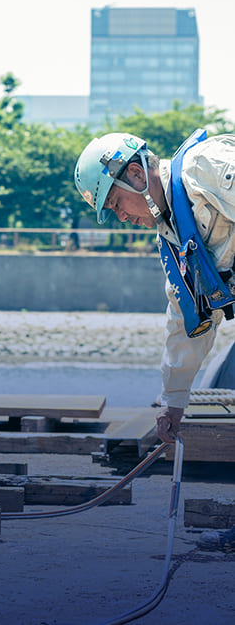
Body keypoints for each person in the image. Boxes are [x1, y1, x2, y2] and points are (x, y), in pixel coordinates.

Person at [75, 127, 235, 552]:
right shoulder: (172, 237)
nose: (122, 217)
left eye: (115, 202)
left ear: (135, 174)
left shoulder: (206, 169)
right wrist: (174, 402)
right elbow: (187, 323)